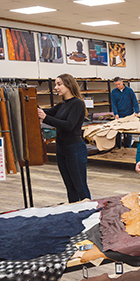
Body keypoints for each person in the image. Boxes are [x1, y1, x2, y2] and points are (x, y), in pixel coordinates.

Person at [38, 74, 91, 202]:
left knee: (80, 186)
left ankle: (88, 213)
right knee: (69, 185)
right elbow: (47, 112)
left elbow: (69, 126)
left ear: (69, 85)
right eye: (55, 84)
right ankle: (74, 213)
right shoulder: (62, 104)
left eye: (59, 84)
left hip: (75, 148)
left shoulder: (77, 104)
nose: (56, 87)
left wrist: (45, 118)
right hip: (62, 147)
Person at [110, 76, 140, 147]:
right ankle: (118, 147)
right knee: (117, 133)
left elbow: (134, 101)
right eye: (116, 85)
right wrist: (116, 113)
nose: (117, 86)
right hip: (119, 115)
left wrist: (136, 111)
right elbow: (113, 104)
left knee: (128, 133)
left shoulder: (129, 91)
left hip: (129, 114)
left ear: (122, 82)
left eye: (119, 84)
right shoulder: (114, 92)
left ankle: (127, 147)